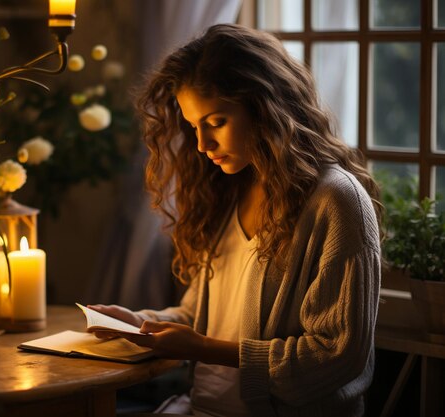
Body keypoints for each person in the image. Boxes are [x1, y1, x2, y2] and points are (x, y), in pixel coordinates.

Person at [89, 23, 381, 417]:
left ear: (264, 107)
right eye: (194, 126)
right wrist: (139, 322)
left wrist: (203, 349)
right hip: (201, 408)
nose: (202, 145)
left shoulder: (335, 201)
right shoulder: (229, 189)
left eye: (216, 122)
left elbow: (335, 355)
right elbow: (200, 318)